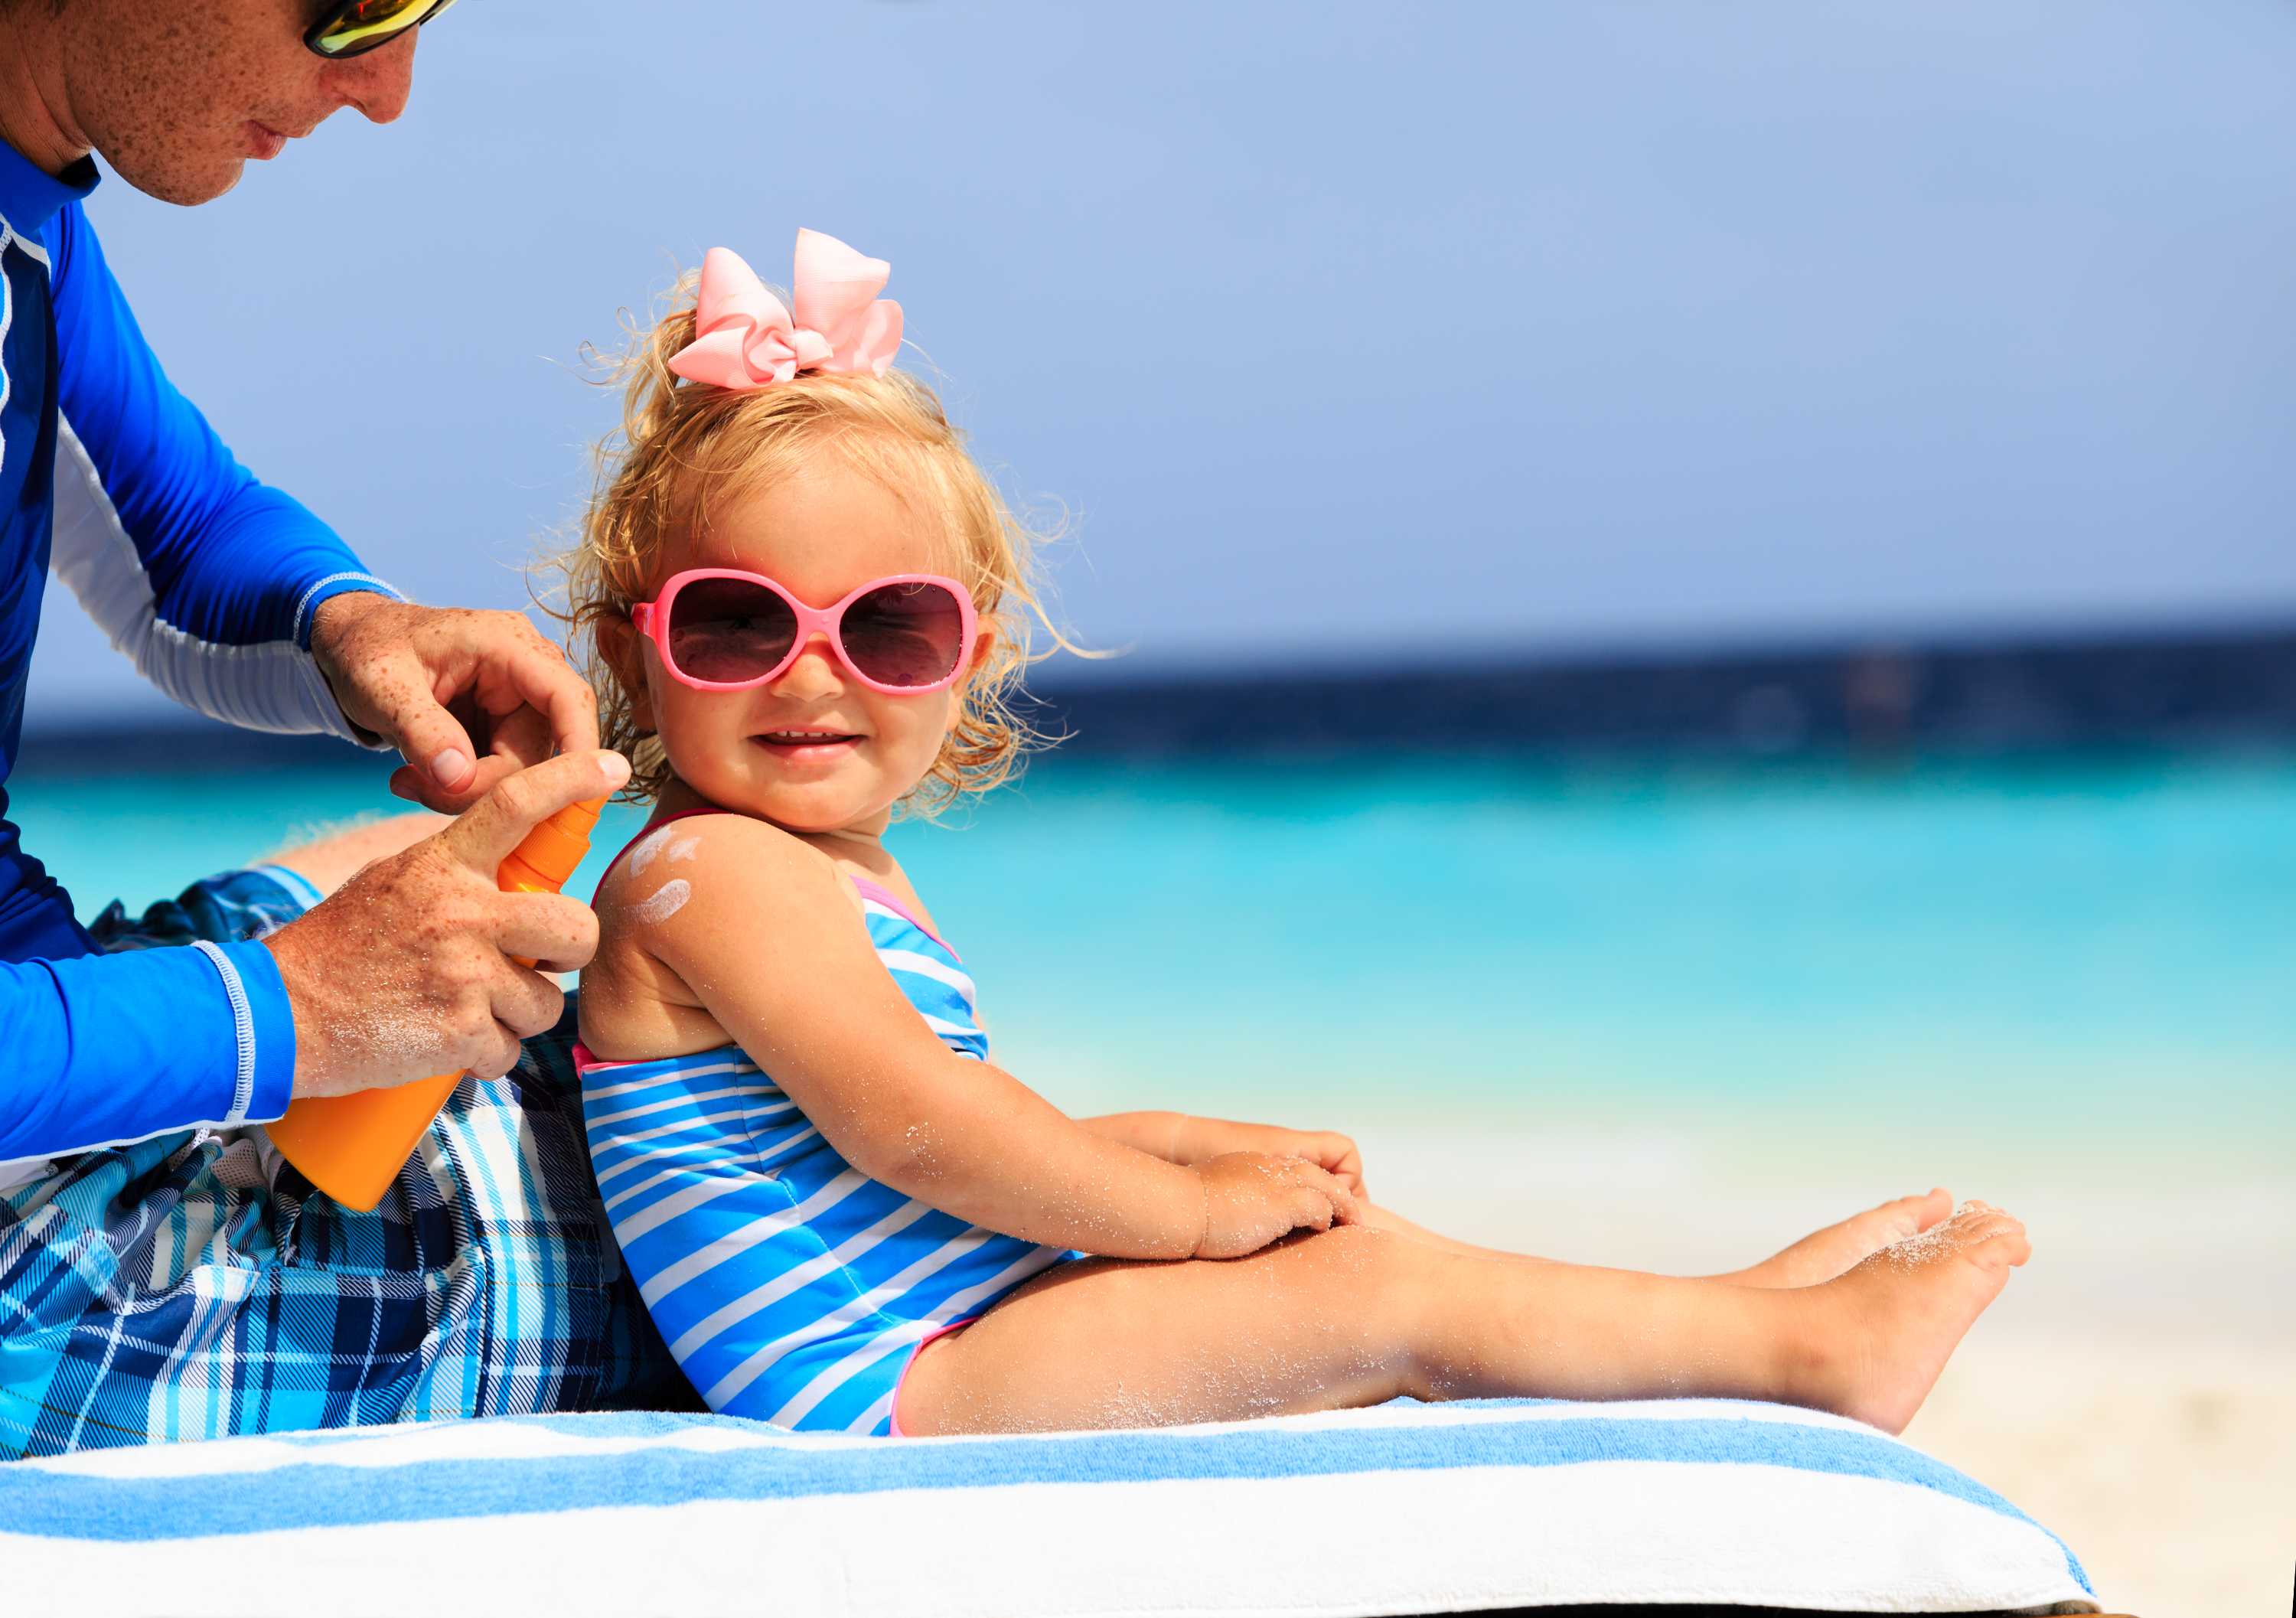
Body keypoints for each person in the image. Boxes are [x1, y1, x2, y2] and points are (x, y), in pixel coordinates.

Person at [561, 233, 2031, 1438]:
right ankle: (1801, 1355)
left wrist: (1190, 1149)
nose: (812, 675)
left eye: (888, 625)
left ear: (969, 660)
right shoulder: (716, 874)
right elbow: (918, 1128)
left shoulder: (819, 871)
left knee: (1352, 1253)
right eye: (737, 623)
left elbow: (936, 1136)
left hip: (945, 1327)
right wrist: (1190, 1213)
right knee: (1368, 1301)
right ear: (634, 655)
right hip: (891, 1390)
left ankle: (1737, 1318)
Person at [0, 1, 666, 1459]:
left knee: (424, 887)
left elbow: (174, 524)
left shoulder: (23, 206)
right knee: (664, 1266)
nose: (386, 90)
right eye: (354, 4)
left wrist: (358, 633)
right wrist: (293, 1007)